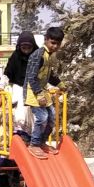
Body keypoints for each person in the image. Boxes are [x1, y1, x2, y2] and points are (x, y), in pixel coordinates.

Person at [24, 27, 65, 159]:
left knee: (52, 117)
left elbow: (49, 74)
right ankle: (34, 144)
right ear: (45, 40)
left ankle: (41, 142)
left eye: (58, 44)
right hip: (33, 91)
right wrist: (39, 94)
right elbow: (31, 76)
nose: (55, 46)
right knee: (42, 118)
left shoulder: (49, 56)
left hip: (43, 91)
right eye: (52, 42)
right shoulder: (38, 55)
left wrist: (60, 84)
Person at [2, 32, 38, 135]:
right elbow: (7, 73)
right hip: (19, 88)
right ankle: (21, 135)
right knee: (20, 114)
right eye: (24, 47)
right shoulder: (15, 56)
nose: (26, 50)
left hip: (35, 89)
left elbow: (46, 74)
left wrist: (57, 85)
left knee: (37, 117)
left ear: (33, 46)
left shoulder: (38, 56)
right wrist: (1, 86)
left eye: (29, 47)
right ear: (19, 46)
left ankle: (35, 139)